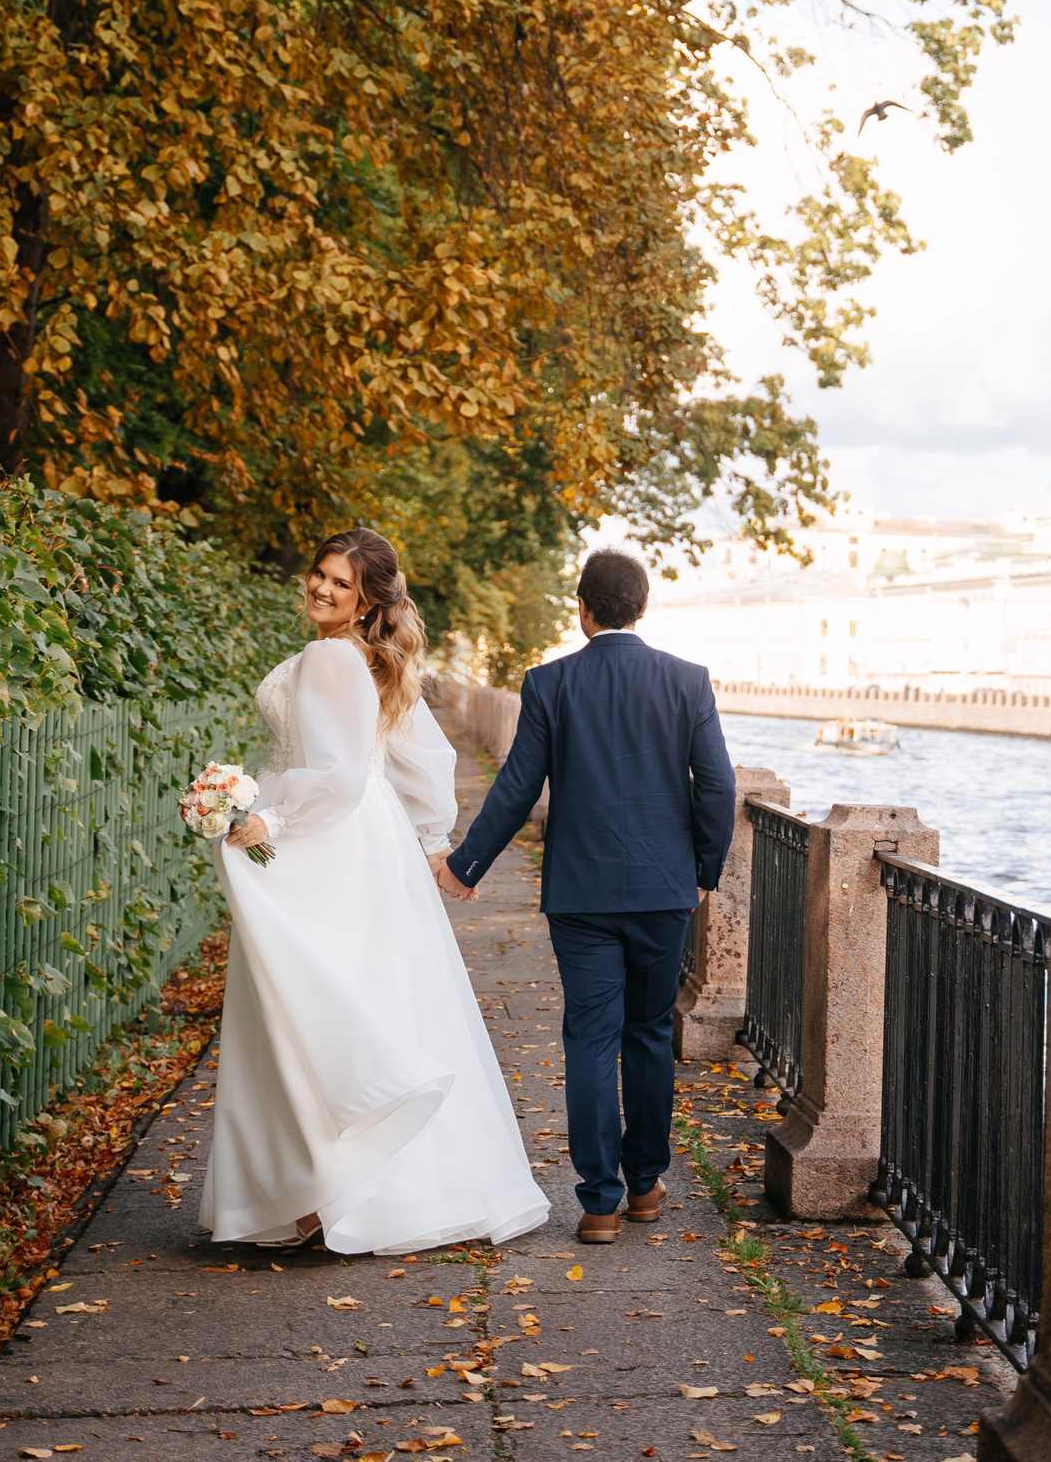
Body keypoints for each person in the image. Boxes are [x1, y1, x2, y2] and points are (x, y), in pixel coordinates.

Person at [199, 529, 548, 1253]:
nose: (322, 589)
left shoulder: (331, 656)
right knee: (360, 994)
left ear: (366, 601)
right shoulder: (367, 659)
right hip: (365, 841)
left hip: (327, 839)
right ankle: (338, 1190)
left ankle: (318, 1194)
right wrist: (427, 840)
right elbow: (418, 758)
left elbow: (337, 775)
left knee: (303, 1001)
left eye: (340, 583)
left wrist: (268, 814)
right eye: (318, 573)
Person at [434, 550, 736, 1245]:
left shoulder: (550, 683)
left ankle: (599, 1200)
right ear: (641, 606)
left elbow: (517, 786)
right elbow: (716, 786)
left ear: (583, 608)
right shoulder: (687, 682)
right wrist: (704, 871)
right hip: (664, 891)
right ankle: (646, 1183)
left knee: (591, 1038)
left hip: (582, 894)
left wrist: (467, 863)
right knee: (650, 1034)